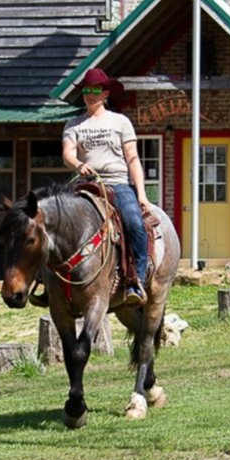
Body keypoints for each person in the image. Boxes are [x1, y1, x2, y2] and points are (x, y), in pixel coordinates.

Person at [62, 67, 152, 307]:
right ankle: (48, 282)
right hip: (86, 184)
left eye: (95, 90)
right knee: (54, 220)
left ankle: (136, 280)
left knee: (134, 222)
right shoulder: (74, 124)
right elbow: (67, 154)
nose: (90, 95)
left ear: (105, 94)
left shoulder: (120, 122)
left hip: (117, 183)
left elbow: (133, 158)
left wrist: (141, 195)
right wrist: (79, 164)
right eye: (86, 90)